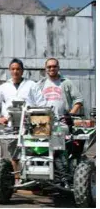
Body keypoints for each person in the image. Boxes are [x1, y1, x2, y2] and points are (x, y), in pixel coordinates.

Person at [0, 58, 46, 183]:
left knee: (31, 152)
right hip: (11, 126)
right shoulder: (4, 87)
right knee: (14, 153)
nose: (15, 71)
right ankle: (17, 179)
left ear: (22, 70)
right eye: (13, 69)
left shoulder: (31, 85)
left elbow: (41, 103)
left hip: (30, 125)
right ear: (10, 70)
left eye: (18, 69)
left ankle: (32, 179)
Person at [37, 57, 84, 188]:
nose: (52, 69)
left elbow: (78, 99)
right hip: (42, 122)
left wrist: (71, 114)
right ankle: (38, 173)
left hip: (61, 122)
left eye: (54, 66)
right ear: (45, 69)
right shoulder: (40, 84)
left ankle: (63, 176)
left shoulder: (66, 82)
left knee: (56, 145)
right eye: (49, 67)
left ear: (58, 67)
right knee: (35, 147)